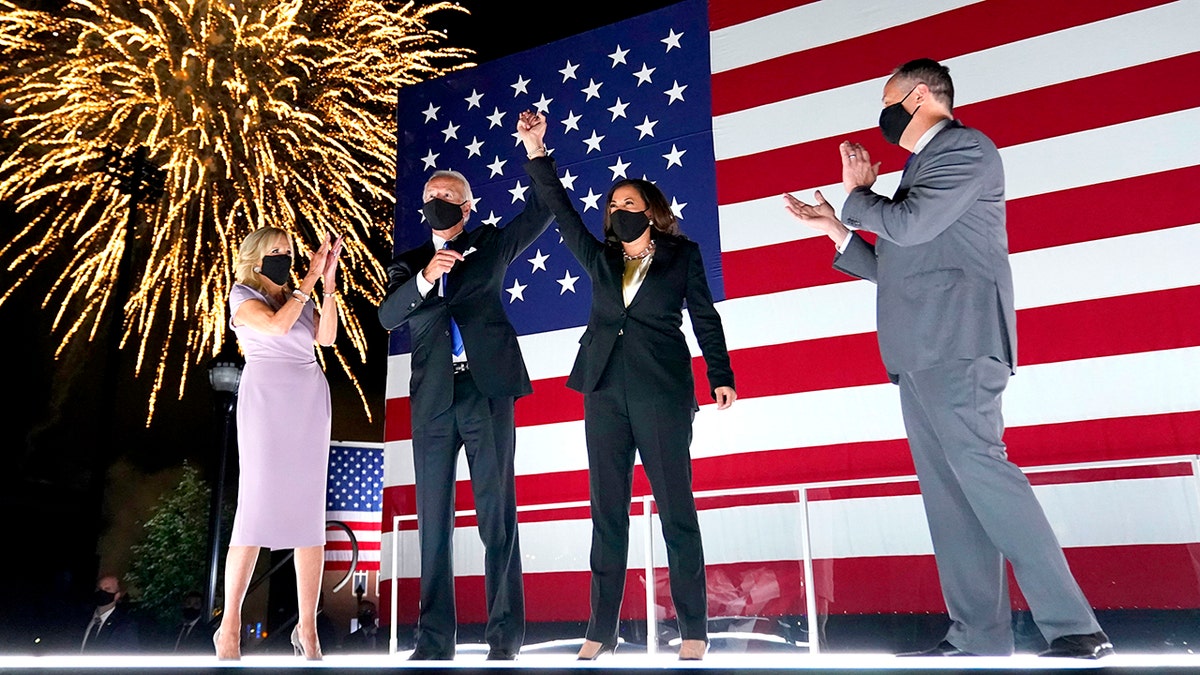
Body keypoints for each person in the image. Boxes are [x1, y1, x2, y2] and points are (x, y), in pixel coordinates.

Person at [782, 58, 1112, 659]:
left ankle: (1074, 628)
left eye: (890, 102)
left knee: (985, 475)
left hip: (958, 342)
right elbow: (898, 267)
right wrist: (838, 228)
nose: (884, 117)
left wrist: (859, 196)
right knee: (950, 498)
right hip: (918, 349)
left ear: (924, 96)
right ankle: (978, 635)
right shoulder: (919, 170)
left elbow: (908, 227)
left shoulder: (965, 149)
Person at [523, 111, 736, 661]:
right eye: (612, 205)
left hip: (662, 391)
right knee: (606, 513)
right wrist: (536, 150)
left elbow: (705, 317)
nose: (617, 211)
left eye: (628, 205)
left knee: (676, 509)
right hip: (602, 392)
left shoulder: (681, 257)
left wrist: (721, 375)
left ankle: (694, 630)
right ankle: (601, 630)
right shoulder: (598, 258)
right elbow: (561, 209)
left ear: (652, 214)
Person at [376, 110, 555, 661]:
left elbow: (545, 210)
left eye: (449, 195)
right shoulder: (408, 263)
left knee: (496, 516)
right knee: (433, 521)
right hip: (432, 404)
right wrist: (429, 275)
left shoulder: (491, 244)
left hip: (486, 390)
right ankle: (434, 640)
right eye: (431, 194)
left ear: (467, 206)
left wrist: (534, 149)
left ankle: (504, 638)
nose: (439, 201)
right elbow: (388, 318)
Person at [214, 227, 343, 660]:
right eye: (276, 252)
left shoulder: (299, 295)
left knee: (309, 513)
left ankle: (307, 629)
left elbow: (325, 338)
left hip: (308, 399)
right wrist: (307, 280)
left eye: (288, 252)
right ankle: (229, 625)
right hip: (266, 402)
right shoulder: (241, 296)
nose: (284, 258)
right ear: (254, 256)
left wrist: (327, 285)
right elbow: (275, 325)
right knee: (255, 509)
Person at [80, 574, 141, 653]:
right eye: (99, 589)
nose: (102, 592)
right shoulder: (82, 618)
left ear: (117, 595)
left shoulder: (125, 625)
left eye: (107, 589)